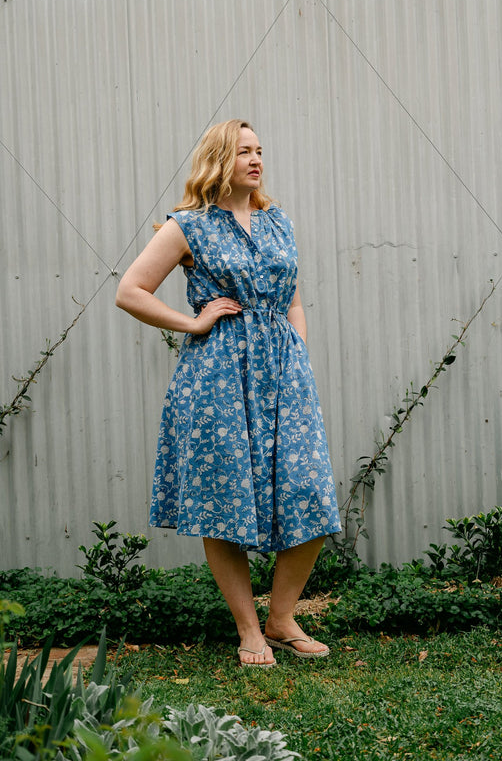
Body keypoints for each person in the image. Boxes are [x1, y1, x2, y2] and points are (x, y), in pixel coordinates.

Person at [116, 119, 341, 667]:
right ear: (220, 159)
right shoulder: (187, 226)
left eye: (260, 149)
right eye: (244, 151)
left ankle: (282, 617)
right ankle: (249, 630)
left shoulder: (278, 221)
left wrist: (299, 353)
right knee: (226, 503)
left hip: (284, 375)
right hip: (217, 379)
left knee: (309, 489)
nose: (256, 159)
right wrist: (191, 324)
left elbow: (293, 299)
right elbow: (130, 291)